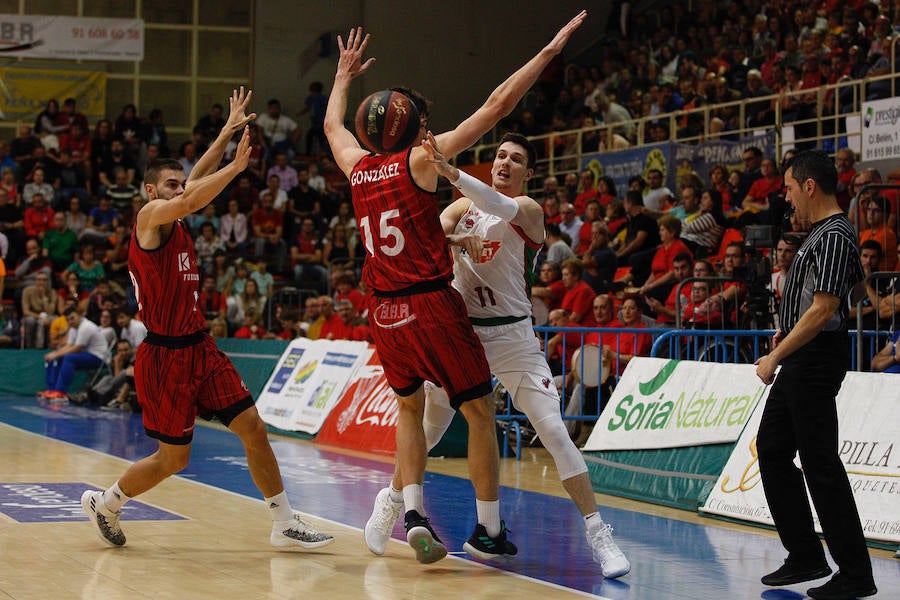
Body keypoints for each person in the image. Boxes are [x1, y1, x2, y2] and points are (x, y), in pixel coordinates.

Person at [325, 14, 585, 563]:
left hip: (383, 311)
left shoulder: (356, 168)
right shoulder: (422, 160)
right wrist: (547, 53)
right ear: (415, 126)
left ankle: (409, 509)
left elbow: (332, 129)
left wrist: (344, 75)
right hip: (432, 305)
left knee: (410, 412)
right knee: (478, 414)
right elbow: (495, 107)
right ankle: (486, 527)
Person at [364, 132, 629, 576]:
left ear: (529, 172)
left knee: (555, 434)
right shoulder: (460, 209)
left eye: (516, 159)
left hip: (513, 340)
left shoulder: (528, 210)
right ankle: (391, 503)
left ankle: (599, 535)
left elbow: (501, 207)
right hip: (461, 338)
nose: (506, 163)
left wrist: (452, 173)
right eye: (501, 155)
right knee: (426, 434)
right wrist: (453, 242)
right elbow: (419, 236)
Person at [81, 88, 334, 551]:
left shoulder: (175, 218)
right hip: (165, 356)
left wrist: (225, 131)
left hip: (200, 347)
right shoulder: (148, 218)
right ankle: (108, 502)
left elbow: (194, 187)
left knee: (253, 426)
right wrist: (236, 167)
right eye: (172, 184)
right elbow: (190, 199)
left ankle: (284, 521)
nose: (181, 189)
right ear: (150, 191)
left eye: (182, 183)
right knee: (174, 459)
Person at [754, 151, 876, 600]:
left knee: (821, 464)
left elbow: (826, 308)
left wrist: (774, 357)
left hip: (814, 359)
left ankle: (856, 573)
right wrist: (790, 325)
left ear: (809, 186)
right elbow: (856, 291)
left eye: (789, 187)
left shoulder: (834, 235)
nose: (788, 199)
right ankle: (805, 554)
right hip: (803, 355)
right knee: (772, 449)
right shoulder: (825, 235)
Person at [40, 307, 108, 399]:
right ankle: (51, 390)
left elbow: (77, 348)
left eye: (72, 318)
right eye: (68, 320)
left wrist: (56, 354)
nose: (70, 321)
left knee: (69, 358)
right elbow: (69, 346)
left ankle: (61, 392)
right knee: (55, 358)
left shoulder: (86, 327)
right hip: (85, 355)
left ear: (79, 315)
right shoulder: (73, 328)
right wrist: (54, 354)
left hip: (99, 358)